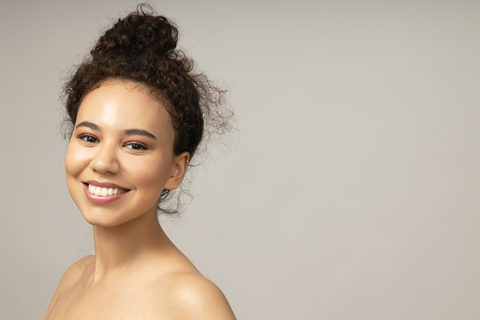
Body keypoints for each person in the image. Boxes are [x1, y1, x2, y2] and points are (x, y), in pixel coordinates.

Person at [44, 4, 236, 320]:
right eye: (89, 137)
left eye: (135, 145)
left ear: (176, 170)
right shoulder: (73, 279)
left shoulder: (194, 304)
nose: (104, 163)